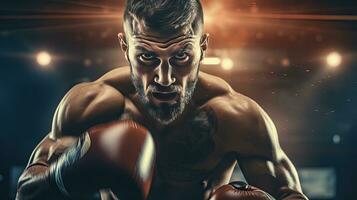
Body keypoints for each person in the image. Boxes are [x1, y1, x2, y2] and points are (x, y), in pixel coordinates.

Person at [16, 0, 309, 199]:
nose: (165, 78)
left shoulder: (236, 117)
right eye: (146, 57)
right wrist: (65, 174)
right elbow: (26, 193)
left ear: (203, 47)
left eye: (181, 56)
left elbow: (290, 194)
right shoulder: (90, 105)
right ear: (124, 46)